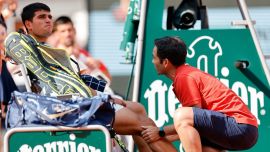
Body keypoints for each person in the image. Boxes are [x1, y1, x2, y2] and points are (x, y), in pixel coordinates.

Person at [12, 2, 177, 152]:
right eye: (42, 17)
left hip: (86, 102)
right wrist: (106, 98)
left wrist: (108, 95)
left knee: (139, 110)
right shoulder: (33, 52)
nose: (48, 20)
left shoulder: (55, 52)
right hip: (76, 109)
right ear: (28, 24)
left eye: (49, 16)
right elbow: (13, 43)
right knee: (146, 126)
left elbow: (86, 79)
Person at [141, 36, 258, 152]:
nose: (152, 61)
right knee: (204, 148)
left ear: (165, 62)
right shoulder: (186, 74)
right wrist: (159, 135)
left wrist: (160, 131)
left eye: (154, 57)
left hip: (240, 127)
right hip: (245, 131)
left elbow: (189, 120)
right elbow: (191, 125)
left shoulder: (184, 77)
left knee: (181, 114)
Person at [50, 16, 112, 82]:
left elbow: (106, 82)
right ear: (56, 34)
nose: (67, 34)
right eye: (63, 31)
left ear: (74, 31)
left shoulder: (83, 54)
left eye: (69, 30)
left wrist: (99, 65)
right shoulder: (53, 57)